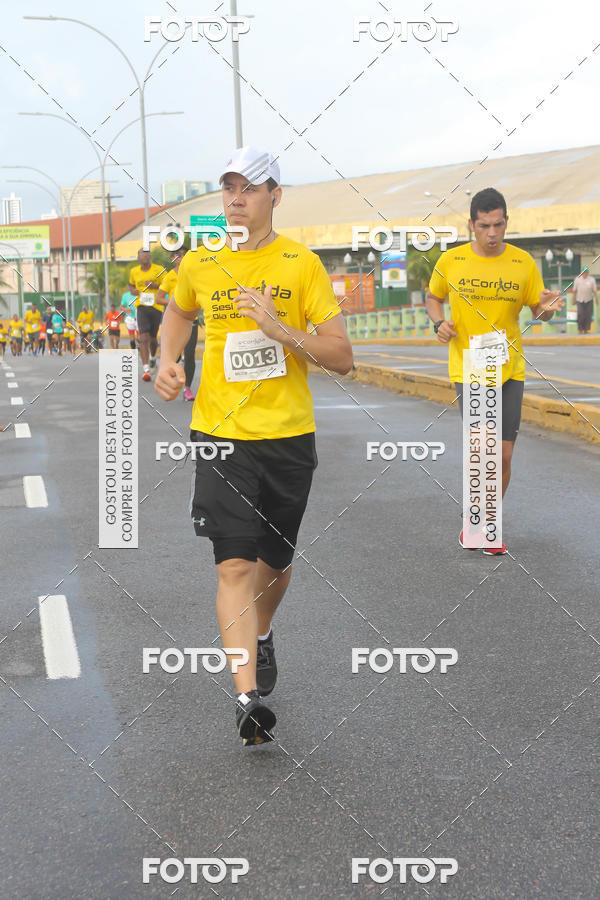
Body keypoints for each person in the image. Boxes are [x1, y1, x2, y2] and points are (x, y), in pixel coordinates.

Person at [155, 146, 353, 745]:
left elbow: (342, 357)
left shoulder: (301, 266)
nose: (237, 198)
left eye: (250, 187)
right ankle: (246, 699)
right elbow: (178, 311)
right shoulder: (201, 262)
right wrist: (168, 360)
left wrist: (278, 329)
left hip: (288, 437)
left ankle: (261, 634)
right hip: (220, 434)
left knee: (275, 562)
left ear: (275, 195)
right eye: (229, 187)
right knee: (235, 562)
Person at [426, 187, 564, 555]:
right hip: (469, 368)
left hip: (510, 367)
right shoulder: (452, 261)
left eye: (498, 225)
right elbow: (433, 297)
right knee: (482, 450)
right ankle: (483, 524)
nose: (491, 233)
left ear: (506, 223)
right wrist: (438, 323)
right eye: (484, 225)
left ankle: (486, 519)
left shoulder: (522, 264)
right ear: (471, 224)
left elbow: (539, 309)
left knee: (502, 456)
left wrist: (549, 309)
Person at [155, 247, 197, 401]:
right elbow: (159, 298)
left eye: (185, 255)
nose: (181, 257)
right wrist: (178, 303)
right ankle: (169, 374)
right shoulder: (169, 277)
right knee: (175, 355)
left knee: (190, 354)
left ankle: (187, 389)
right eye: (178, 255)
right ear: (173, 258)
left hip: (192, 319)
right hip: (176, 318)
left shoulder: (195, 273)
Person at [128, 249, 166, 382]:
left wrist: (155, 285)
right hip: (141, 306)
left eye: (146, 254)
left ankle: (153, 358)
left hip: (156, 307)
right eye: (141, 254)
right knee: (143, 337)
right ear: (138, 258)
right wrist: (133, 291)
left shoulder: (159, 269)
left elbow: (167, 284)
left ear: (150, 257)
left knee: (153, 339)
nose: (144, 256)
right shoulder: (134, 271)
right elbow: (131, 285)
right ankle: (146, 370)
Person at [572, 268, 597, 334]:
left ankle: (586, 330)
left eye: (586, 272)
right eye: (584, 272)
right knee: (580, 314)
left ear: (588, 273)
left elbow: (594, 290)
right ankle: (580, 329)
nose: (585, 274)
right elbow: (574, 290)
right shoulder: (577, 279)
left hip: (589, 300)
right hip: (580, 300)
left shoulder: (592, 279)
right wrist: (573, 299)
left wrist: (596, 299)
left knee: (588, 315)